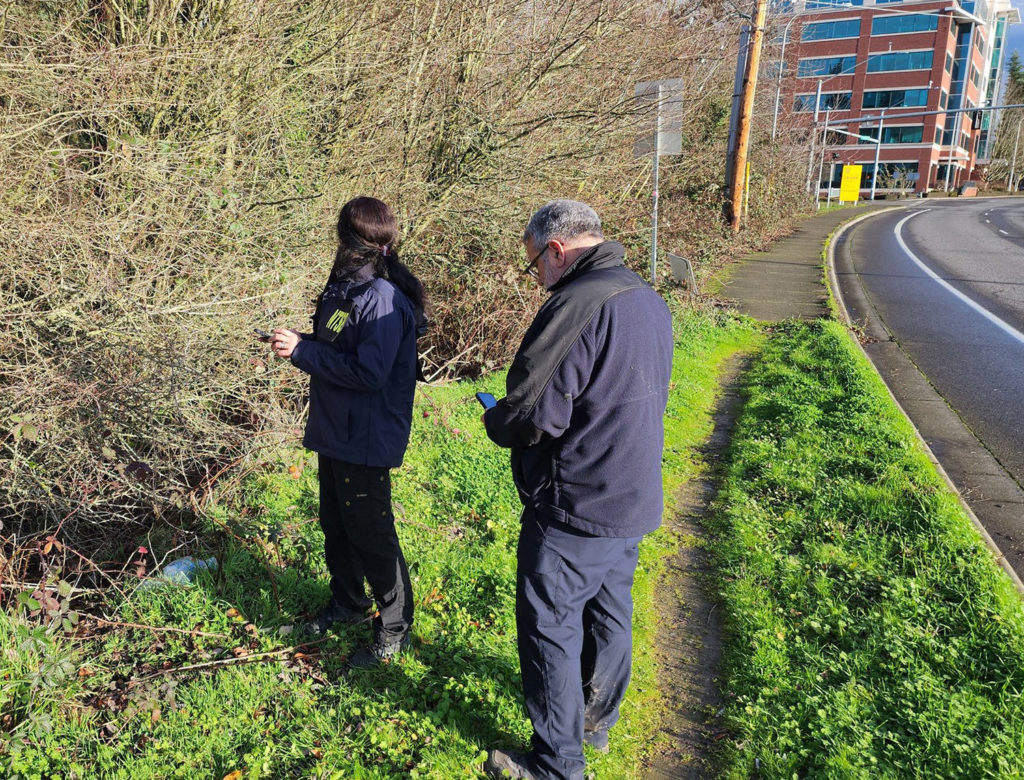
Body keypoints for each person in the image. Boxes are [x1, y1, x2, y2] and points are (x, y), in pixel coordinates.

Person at [481, 200, 673, 779]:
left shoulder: (575, 304)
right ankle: (595, 724)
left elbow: (535, 413)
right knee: (610, 612)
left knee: (550, 626)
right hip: (631, 490)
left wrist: (496, 420)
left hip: (576, 499)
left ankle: (557, 764)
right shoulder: (646, 296)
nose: (535, 274)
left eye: (534, 262)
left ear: (557, 251)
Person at [268, 196, 427, 668]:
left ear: (349, 239)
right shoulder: (345, 291)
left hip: (366, 437)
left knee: (372, 534)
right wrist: (300, 343)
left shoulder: (380, 297)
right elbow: (338, 345)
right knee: (336, 526)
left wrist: (303, 353)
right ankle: (347, 605)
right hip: (336, 432)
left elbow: (369, 372)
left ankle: (395, 628)